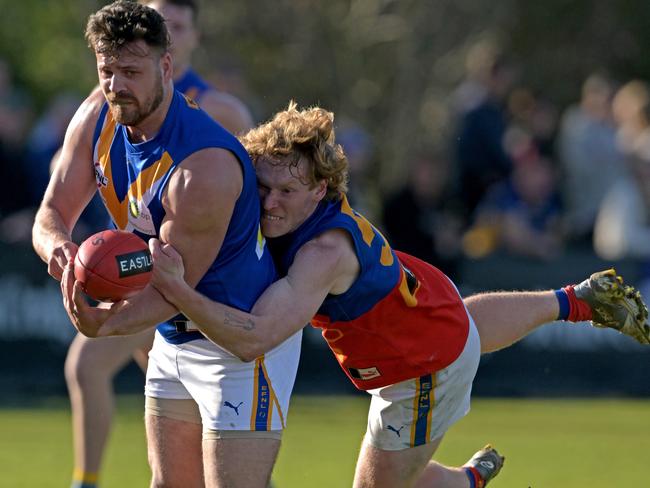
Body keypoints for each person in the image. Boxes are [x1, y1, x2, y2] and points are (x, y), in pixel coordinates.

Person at [109, 103, 648, 487]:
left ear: (319, 190)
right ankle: (574, 300)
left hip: (419, 373)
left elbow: (255, 339)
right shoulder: (290, 213)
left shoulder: (321, 253)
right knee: (461, 328)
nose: (269, 202)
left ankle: (464, 483)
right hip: (427, 306)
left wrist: (175, 288)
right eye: (262, 186)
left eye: (286, 192)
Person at [32, 3, 300, 488]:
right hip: (173, 337)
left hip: (236, 340)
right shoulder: (96, 116)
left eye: (131, 71)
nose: (115, 85)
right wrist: (59, 249)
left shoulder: (204, 165)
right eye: (106, 70)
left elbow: (169, 292)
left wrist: (103, 322)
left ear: (167, 65)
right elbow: (50, 213)